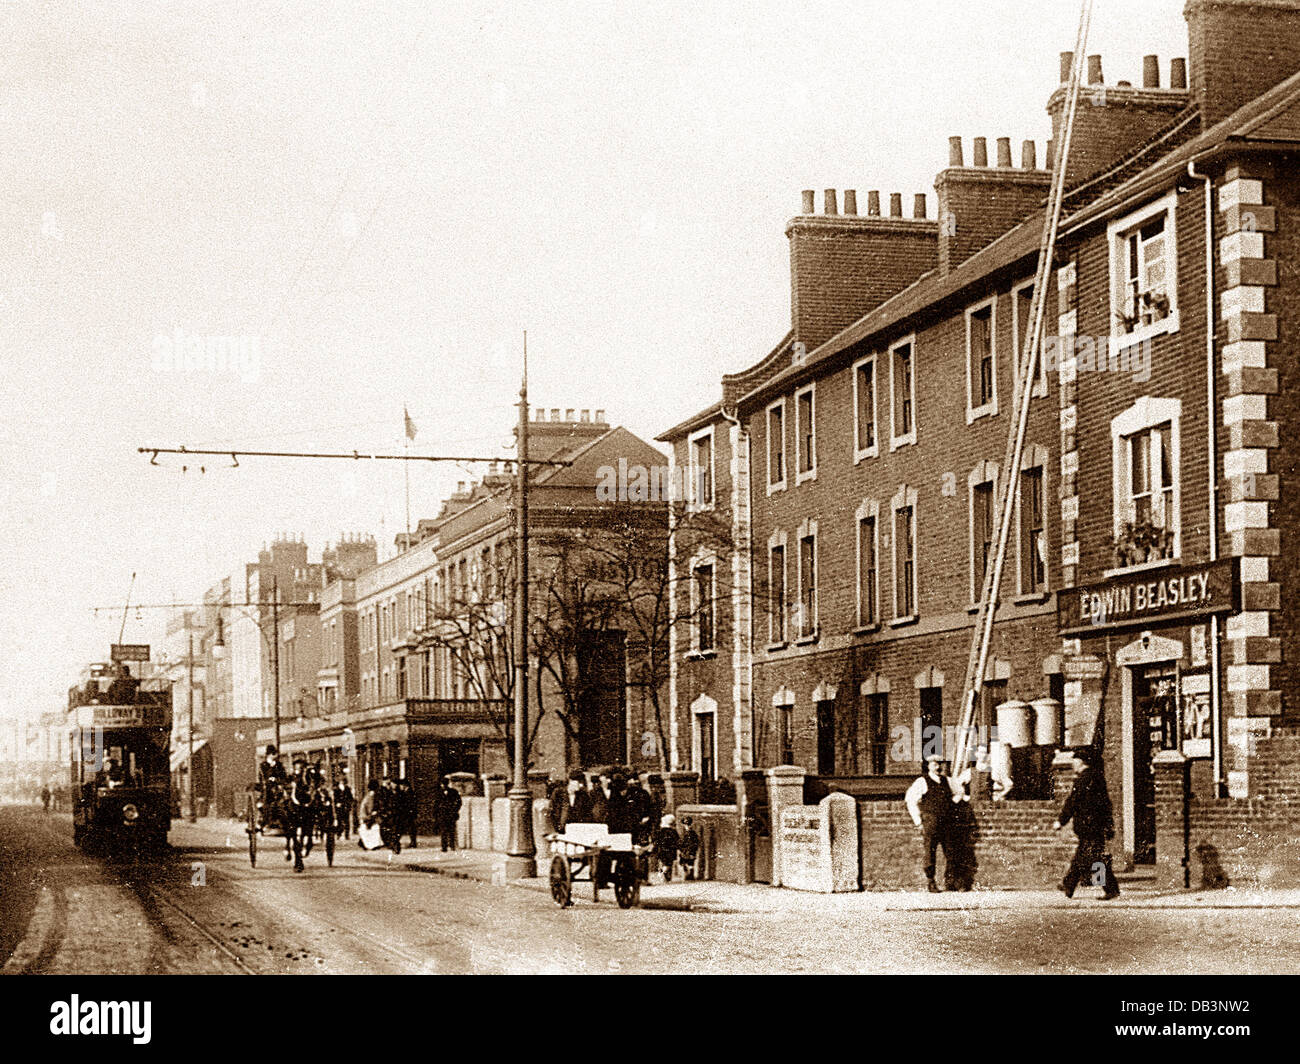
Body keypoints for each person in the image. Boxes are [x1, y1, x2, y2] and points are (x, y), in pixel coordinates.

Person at [1053, 747, 1120, 900]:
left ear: (1081, 762)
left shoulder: (1083, 779)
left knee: (1094, 857)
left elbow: (1072, 802)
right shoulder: (1097, 778)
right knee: (1084, 856)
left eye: (1074, 761)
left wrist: (1061, 821)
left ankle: (1110, 889)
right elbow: (1106, 804)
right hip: (1095, 825)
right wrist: (1108, 824)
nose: (1073, 765)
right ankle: (1069, 885)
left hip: (1088, 826)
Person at [904, 755, 963, 893]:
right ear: (928, 766)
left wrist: (953, 802)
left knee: (951, 851)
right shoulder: (922, 781)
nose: (938, 766)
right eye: (934, 764)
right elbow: (911, 800)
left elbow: (960, 792)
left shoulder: (948, 781)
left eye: (939, 764)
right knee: (930, 852)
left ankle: (950, 882)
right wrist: (918, 821)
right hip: (931, 822)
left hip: (947, 822)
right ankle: (931, 882)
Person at [624, 775, 655, 846]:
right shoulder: (627, 794)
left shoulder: (643, 793)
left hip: (642, 819)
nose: (633, 783)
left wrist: (646, 816)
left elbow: (648, 806)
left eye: (635, 781)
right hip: (631, 821)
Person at [434, 777, 462, 852]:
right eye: (443, 784)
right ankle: (444, 847)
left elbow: (459, 802)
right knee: (443, 831)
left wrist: (455, 809)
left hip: (451, 814)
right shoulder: (438, 793)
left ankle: (452, 845)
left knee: (451, 830)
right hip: (442, 814)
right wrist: (436, 814)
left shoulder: (453, 792)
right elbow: (435, 805)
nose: (443, 785)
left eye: (445, 784)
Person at [653, 814, 679, 881]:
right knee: (669, 864)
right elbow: (677, 841)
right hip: (671, 850)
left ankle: (662, 874)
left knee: (662, 862)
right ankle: (667, 877)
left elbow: (656, 840)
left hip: (662, 849)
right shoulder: (673, 831)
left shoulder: (660, 831)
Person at [397, 778, 417, 848]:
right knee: (409, 828)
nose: (400, 787)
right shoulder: (406, 792)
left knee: (409, 828)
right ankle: (413, 842)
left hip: (409, 814)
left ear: (404, 785)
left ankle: (413, 842)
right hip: (407, 814)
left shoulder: (409, 793)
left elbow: (411, 804)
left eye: (401, 785)